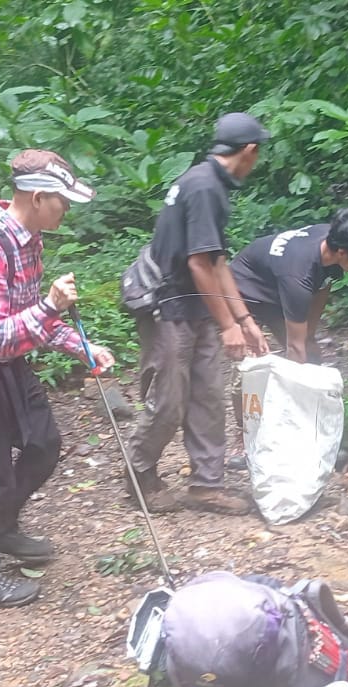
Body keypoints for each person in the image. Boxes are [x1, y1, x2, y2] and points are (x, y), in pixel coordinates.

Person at [0, 149, 115, 607]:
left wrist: (82, 348)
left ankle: (3, 527)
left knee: (43, 444)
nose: (66, 210)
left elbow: (30, 319)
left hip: (8, 359)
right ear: (36, 197)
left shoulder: (30, 240)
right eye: (62, 202)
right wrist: (50, 306)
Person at [127, 112, 270, 516]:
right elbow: (197, 265)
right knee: (170, 399)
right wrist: (228, 326)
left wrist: (244, 320)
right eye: (257, 156)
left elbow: (217, 260)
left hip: (196, 304)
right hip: (169, 303)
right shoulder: (205, 187)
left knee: (208, 394)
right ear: (249, 151)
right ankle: (141, 477)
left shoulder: (210, 183)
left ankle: (206, 485)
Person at [229, 207, 348, 362]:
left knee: (310, 356)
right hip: (243, 288)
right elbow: (295, 346)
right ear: (342, 253)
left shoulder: (335, 240)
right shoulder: (298, 275)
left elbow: (323, 285)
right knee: (248, 355)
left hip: (277, 286)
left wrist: (309, 335)